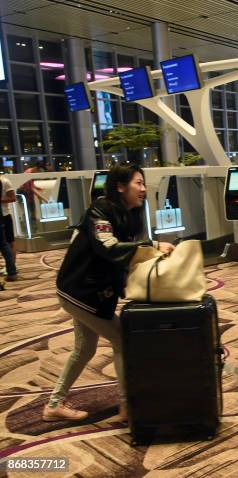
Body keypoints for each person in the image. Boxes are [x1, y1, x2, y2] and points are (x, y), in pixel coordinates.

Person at [42, 164, 175, 422]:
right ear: (120, 186)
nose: (143, 189)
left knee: (84, 349)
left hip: (93, 291)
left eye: (144, 183)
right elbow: (110, 248)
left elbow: (126, 254)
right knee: (123, 340)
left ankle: (54, 405)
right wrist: (153, 245)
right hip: (80, 291)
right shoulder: (99, 211)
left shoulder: (129, 212)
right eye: (138, 183)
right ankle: (127, 406)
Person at [0, 174, 18, 280]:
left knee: (9, 242)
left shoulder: (5, 181)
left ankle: (11, 267)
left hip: (5, 215)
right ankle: (10, 267)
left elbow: (13, 198)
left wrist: (1, 201)